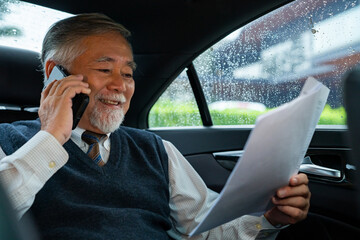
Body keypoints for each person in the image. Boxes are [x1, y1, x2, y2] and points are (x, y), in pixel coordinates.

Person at [0, 13, 310, 240]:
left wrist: (269, 220)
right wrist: (52, 136)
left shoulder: (155, 149)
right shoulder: (9, 142)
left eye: (128, 73)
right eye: (105, 69)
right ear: (56, 73)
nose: (120, 86)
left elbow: (206, 229)